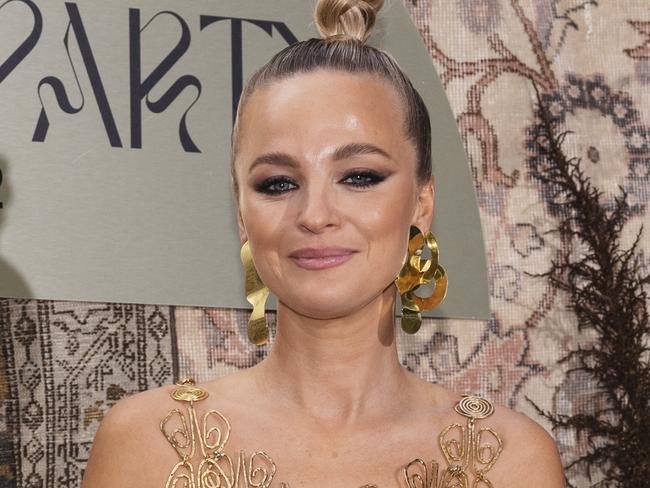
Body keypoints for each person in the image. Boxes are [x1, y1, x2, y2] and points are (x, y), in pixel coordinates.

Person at [81, 0, 566, 486]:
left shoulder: (511, 460)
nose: (314, 215)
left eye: (359, 176)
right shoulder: (146, 442)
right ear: (242, 215)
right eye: (277, 183)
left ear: (421, 204)